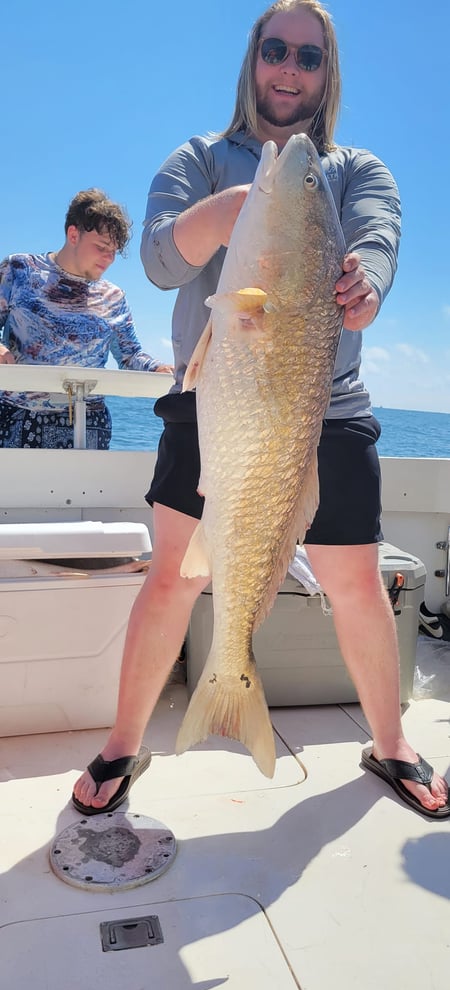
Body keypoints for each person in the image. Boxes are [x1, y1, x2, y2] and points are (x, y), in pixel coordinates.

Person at [73, 0, 450, 818]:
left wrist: (367, 284)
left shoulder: (354, 170)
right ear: (253, 59)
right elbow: (160, 261)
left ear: (327, 73)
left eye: (307, 57)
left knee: (356, 581)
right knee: (173, 575)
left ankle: (391, 742)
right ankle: (121, 745)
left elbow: (377, 238)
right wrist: (221, 215)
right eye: (275, 50)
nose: (289, 68)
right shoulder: (198, 159)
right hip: (210, 400)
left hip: (327, 403)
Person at [0, 188, 173, 449]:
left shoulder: (113, 297)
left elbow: (129, 355)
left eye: (114, 251)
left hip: (90, 418)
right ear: (73, 235)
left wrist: (159, 369)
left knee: (86, 491)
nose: (109, 258)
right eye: (102, 247)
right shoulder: (19, 270)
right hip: (18, 415)